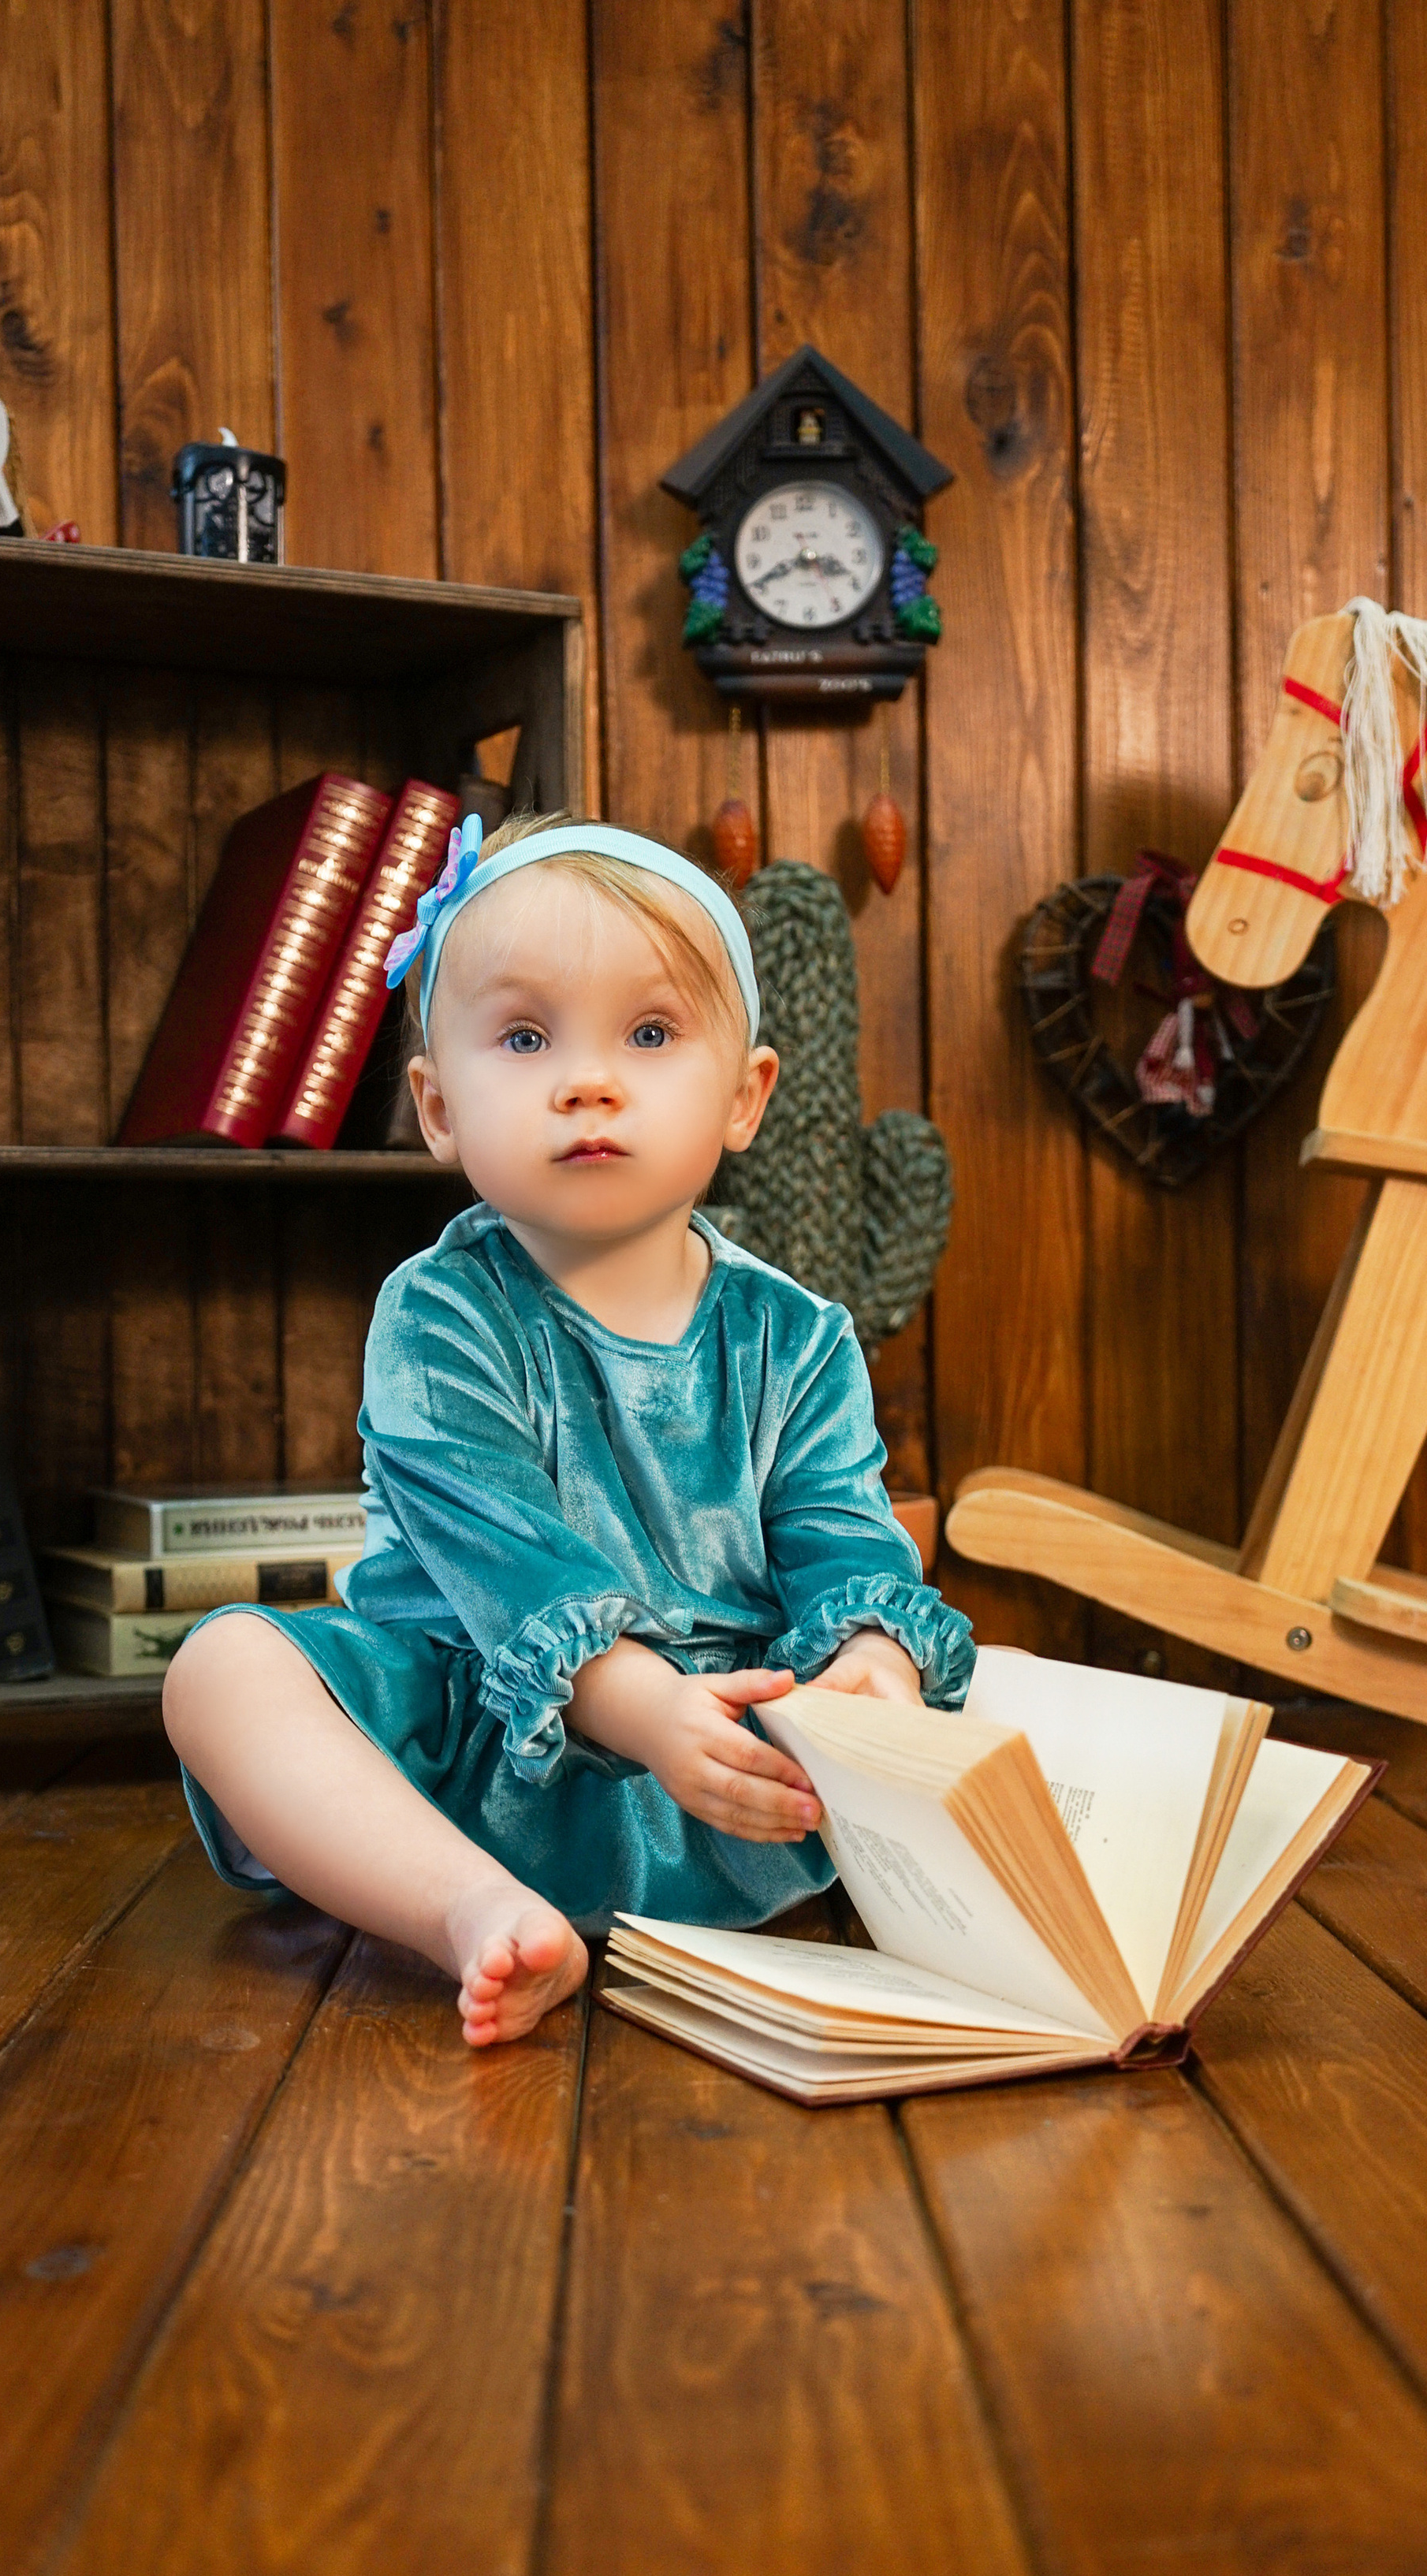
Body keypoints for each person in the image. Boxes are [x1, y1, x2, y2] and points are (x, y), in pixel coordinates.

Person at [162, 812, 974, 2049]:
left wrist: (873, 1657)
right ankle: (473, 1912)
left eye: (650, 1035)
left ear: (746, 1097)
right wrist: (635, 1702)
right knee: (218, 1672)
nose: (587, 1081)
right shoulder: (440, 1315)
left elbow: (840, 1532)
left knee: (978, 1683)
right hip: (479, 1737)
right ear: (439, 1108)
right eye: (526, 1036)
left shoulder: (796, 1335)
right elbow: (507, 1554)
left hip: (730, 1758)